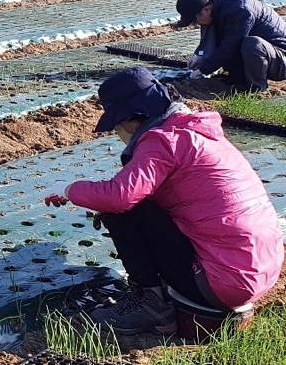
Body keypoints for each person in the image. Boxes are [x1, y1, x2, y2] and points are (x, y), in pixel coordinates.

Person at [44, 67, 284, 335]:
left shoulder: (162, 140)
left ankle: (150, 303)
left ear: (133, 117)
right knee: (139, 206)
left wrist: (70, 189)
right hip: (259, 267)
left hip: (224, 281)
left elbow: (120, 196)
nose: (119, 132)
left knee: (121, 210)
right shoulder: (195, 131)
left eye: (117, 124)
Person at [176, 0, 286, 91]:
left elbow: (230, 47)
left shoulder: (241, 11)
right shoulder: (218, 9)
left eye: (195, 20)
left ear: (206, 10)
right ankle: (239, 79)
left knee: (253, 44)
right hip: (266, 57)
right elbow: (219, 43)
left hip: (282, 59)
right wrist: (202, 57)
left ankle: (256, 88)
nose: (197, 24)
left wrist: (203, 70)